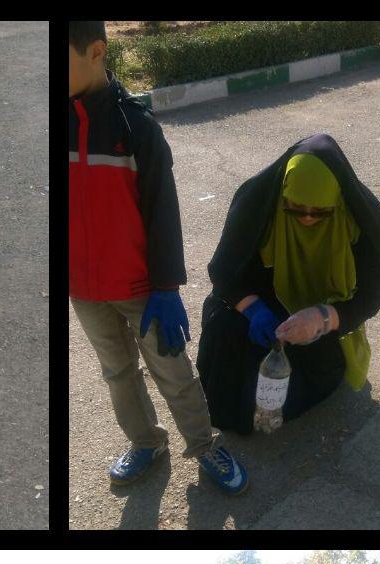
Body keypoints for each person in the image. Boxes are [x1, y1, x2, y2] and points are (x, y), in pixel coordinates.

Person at [67, 21, 247, 494]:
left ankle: (206, 445)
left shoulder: (136, 129)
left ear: (96, 51)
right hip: (84, 291)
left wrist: (165, 288)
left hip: (140, 289)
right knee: (117, 373)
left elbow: (163, 215)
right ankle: (146, 442)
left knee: (174, 371)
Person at [195, 132, 380, 434]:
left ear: (338, 200)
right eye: (295, 209)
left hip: (325, 314)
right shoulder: (258, 202)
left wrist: (323, 318)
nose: (307, 220)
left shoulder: (361, 218)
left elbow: (371, 295)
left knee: (311, 368)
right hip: (263, 302)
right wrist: (253, 309)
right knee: (224, 330)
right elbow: (225, 272)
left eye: (321, 212)